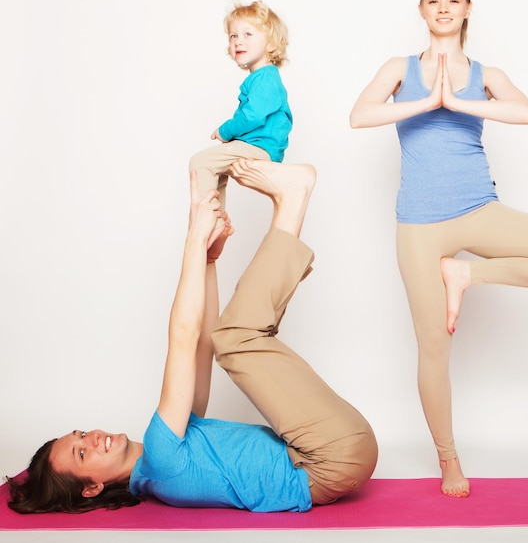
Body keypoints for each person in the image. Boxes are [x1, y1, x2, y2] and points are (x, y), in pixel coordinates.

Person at [349, 0, 528, 498]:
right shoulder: (399, 69)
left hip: (479, 209)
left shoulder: (487, 74)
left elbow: (525, 113)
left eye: (453, 0)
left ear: (467, 10)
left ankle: (467, 273)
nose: (443, 7)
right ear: (421, 10)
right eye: (433, 0)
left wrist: (458, 101)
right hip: (418, 224)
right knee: (433, 348)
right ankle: (449, 459)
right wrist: (427, 100)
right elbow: (359, 116)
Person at [7, 160, 378, 514]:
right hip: (329, 458)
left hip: (335, 451)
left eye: (81, 434)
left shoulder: (170, 449)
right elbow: (182, 339)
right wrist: (194, 240)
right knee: (237, 338)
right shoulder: (160, 458)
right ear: (92, 489)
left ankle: (290, 200)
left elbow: (202, 344)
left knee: (227, 339)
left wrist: (209, 260)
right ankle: (292, 199)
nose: (92, 438)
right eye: (83, 454)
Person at [189, 0, 293, 244]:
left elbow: (252, 116)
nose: (238, 41)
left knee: (200, 162)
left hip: (262, 148)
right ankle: (217, 222)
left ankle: (209, 225)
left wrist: (225, 131)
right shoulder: (260, 77)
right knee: (216, 170)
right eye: (233, 35)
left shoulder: (265, 78)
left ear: (270, 43)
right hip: (258, 145)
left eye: (248, 34)